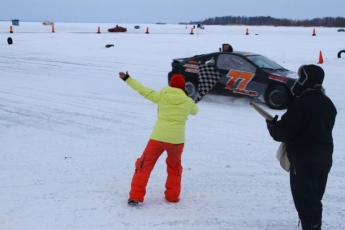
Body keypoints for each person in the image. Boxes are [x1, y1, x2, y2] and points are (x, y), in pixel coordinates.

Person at [266, 64, 337, 230]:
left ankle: (311, 226)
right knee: (314, 197)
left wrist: (272, 126)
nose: (297, 83)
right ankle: (313, 224)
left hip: (304, 159)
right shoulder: (327, 103)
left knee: (305, 199)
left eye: (300, 78)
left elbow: (282, 133)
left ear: (306, 80)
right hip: (324, 157)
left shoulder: (302, 104)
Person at [118, 71, 198, 205]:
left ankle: (135, 196)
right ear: (183, 86)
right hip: (177, 141)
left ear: (170, 84)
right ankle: (172, 196)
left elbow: (143, 90)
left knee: (144, 166)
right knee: (174, 168)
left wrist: (127, 79)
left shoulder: (161, 96)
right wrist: (188, 99)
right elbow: (195, 111)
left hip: (158, 138)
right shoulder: (188, 102)